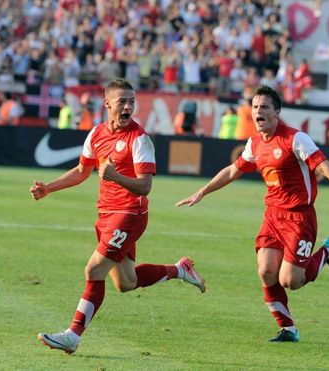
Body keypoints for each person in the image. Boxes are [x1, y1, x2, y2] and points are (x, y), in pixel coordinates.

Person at [176, 85, 329, 342]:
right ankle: (288, 329)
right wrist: (202, 192)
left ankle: (328, 250)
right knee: (266, 272)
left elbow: (324, 167)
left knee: (291, 280)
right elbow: (233, 171)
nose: (258, 111)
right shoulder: (255, 143)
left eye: (264, 107)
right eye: (256, 107)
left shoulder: (295, 139)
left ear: (277, 112)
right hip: (272, 216)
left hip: (300, 218)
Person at [31, 79, 205, 354]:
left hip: (130, 213)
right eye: (122, 101)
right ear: (107, 103)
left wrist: (115, 176)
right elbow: (81, 171)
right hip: (106, 213)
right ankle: (179, 270)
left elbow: (146, 186)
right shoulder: (97, 134)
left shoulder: (139, 139)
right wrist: (48, 188)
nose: (128, 107)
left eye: (131, 102)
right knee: (126, 282)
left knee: (94, 270)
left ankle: (73, 335)